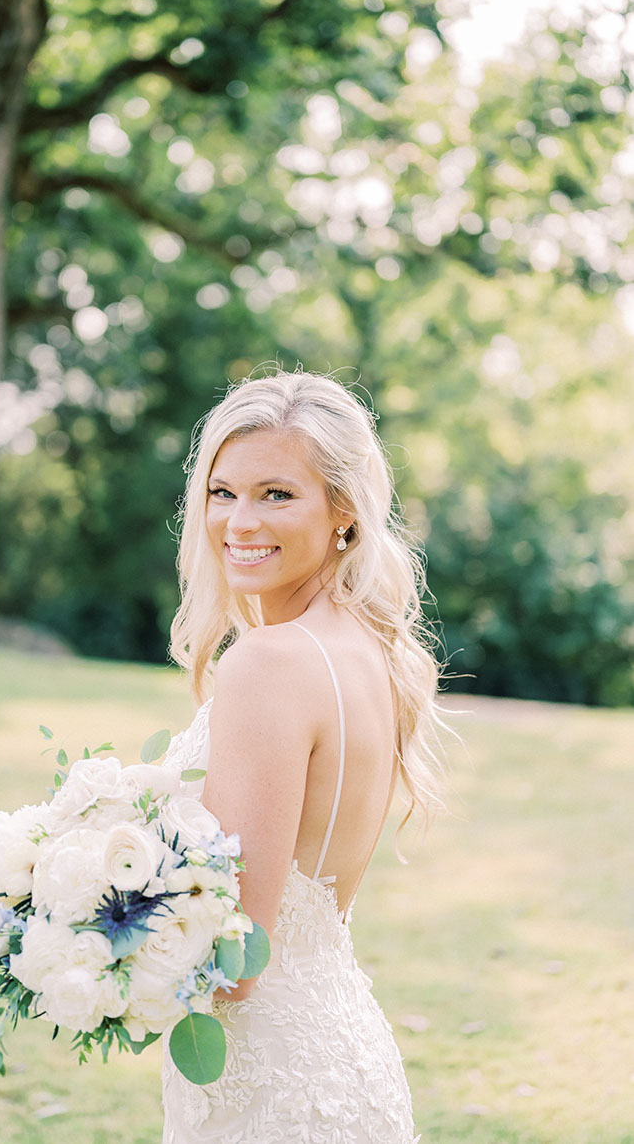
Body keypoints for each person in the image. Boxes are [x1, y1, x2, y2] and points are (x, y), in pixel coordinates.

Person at [160, 369, 446, 1143]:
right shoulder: (368, 651)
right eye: (222, 493)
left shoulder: (270, 664)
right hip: (344, 1062)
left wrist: (84, 941)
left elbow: (236, 961)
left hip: (267, 1095)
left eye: (276, 495)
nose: (238, 521)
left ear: (343, 512)